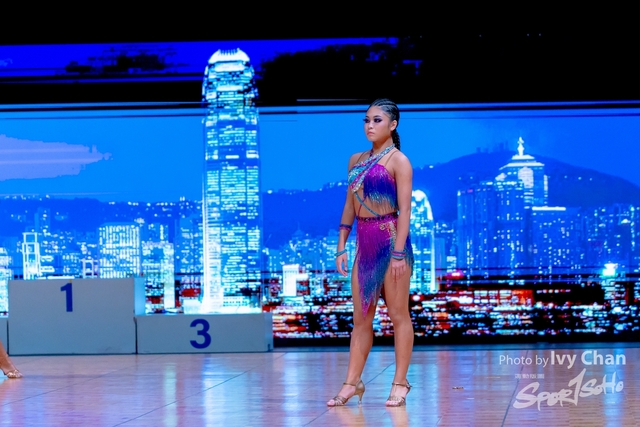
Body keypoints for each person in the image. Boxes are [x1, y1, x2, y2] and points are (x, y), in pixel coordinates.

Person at [327, 98, 414, 407]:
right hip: (364, 245)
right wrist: (341, 245)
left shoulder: (399, 161)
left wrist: (399, 253)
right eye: (366, 120)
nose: (369, 125)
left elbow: (405, 211)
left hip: (391, 243)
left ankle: (400, 383)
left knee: (399, 315)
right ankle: (352, 383)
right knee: (361, 319)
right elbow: (349, 204)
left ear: (393, 124)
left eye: (377, 120)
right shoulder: (355, 160)